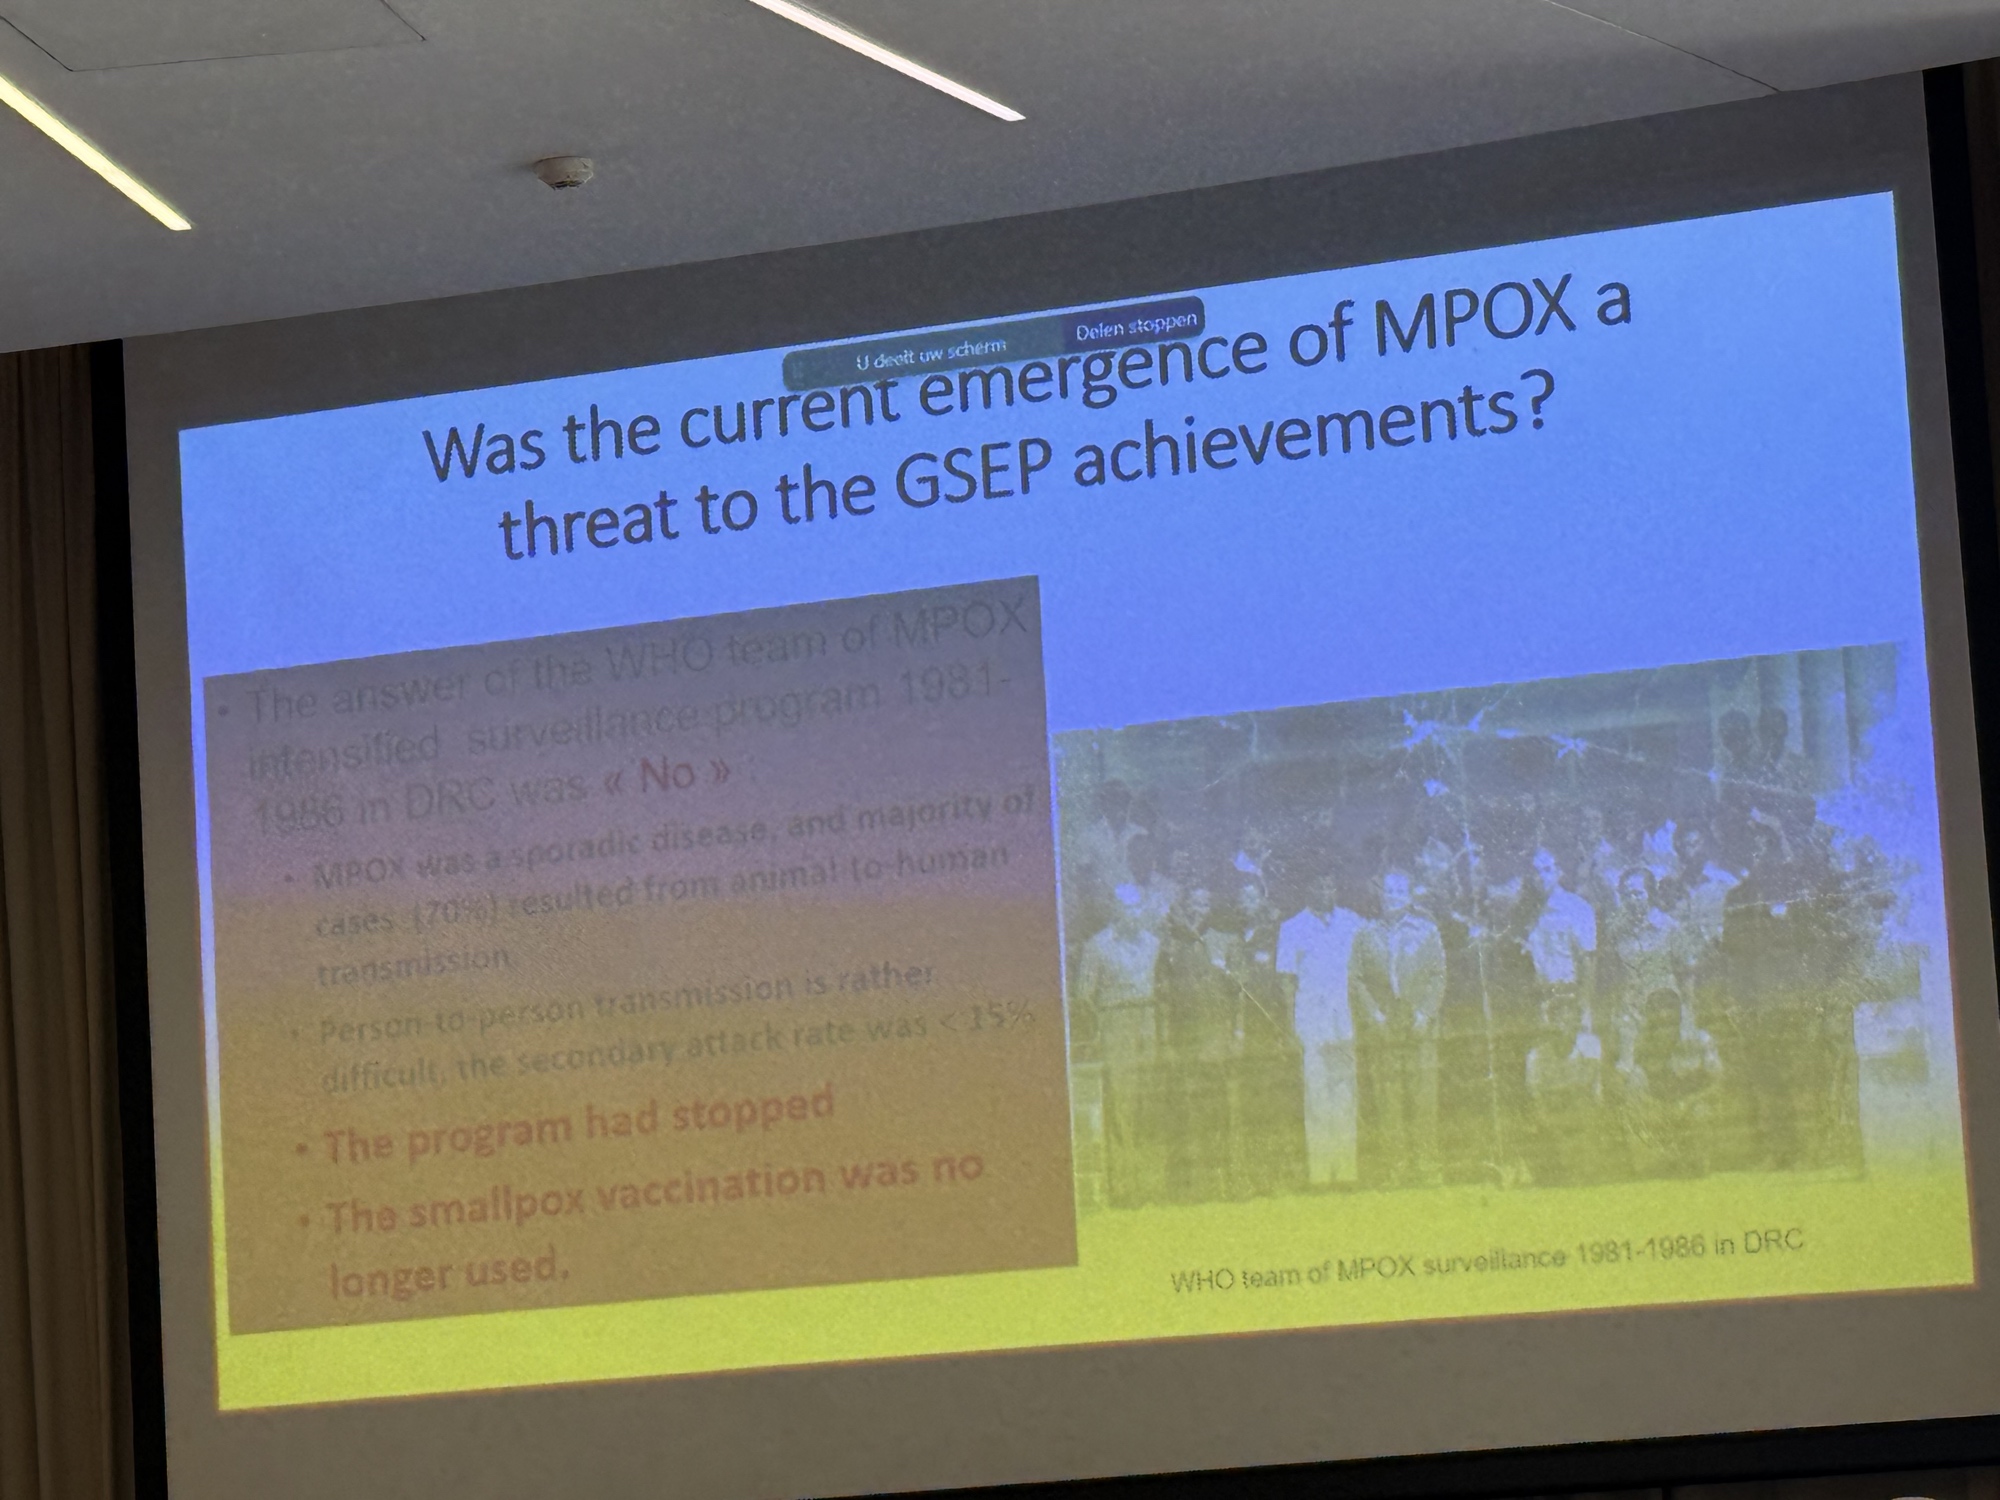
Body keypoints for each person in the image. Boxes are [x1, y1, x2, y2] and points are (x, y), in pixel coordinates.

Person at [1350, 870, 1447, 1188]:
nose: (1393, 896)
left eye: (1399, 890)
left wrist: (1425, 1014)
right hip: (1384, 1028)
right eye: (1388, 890)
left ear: (1409, 895)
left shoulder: (1427, 931)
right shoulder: (1366, 934)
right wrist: (1374, 1016)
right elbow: (1357, 979)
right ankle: (1396, 1166)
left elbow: (1438, 976)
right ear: (1380, 894)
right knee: (1388, 1098)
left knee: (1423, 1098)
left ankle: (1427, 1165)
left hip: (1418, 1027)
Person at [1076, 885, 1167, 1207]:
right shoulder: (1097, 946)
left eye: (1138, 907)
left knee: (1149, 1102)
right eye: (1127, 907)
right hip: (1116, 1024)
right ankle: (1126, 1188)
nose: (1134, 914)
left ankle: (1154, 1186)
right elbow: (1084, 996)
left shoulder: (1153, 943)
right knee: (1122, 1103)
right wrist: (1105, 1027)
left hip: (1148, 1023)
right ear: (1115, 910)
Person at [1276, 872, 1367, 1188]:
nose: (1326, 891)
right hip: (1311, 1022)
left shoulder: (1351, 922)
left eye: (1331, 886)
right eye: (1319, 886)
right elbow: (1287, 982)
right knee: (1317, 1096)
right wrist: (1290, 1027)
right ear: (1308, 888)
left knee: (1345, 1095)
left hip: (1344, 1021)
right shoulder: (1292, 928)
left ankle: (1346, 1172)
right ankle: (1320, 1175)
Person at [1157, 886, 1234, 1202]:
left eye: (1205, 903)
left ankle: (1223, 1180)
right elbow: (1162, 996)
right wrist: (1167, 1041)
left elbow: (1237, 992)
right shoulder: (1171, 946)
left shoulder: (1224, 940)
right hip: (1185, 1039)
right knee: (1188, 1111)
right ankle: (1192, 1185)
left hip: (1217, 1037)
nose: (1199, 909)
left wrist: (1233, 1033)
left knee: (1219, 1108)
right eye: (1194, 903)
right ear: (1185, 907)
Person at [1621, 989, 1722, 1178]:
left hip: (1692, 1105)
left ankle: (1698, 1165)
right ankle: (1650, 1168)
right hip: (1655, 1107)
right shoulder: (1638, 1046)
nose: (1664, 1015)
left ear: (1679, 1015)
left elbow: (1719, 1083)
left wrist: (1687, 1102)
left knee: (1701, 1112)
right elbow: (1628, 1087)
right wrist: (1654, 1106)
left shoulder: (1701, 1040)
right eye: (1658, 1014)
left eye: (1670, 1011)